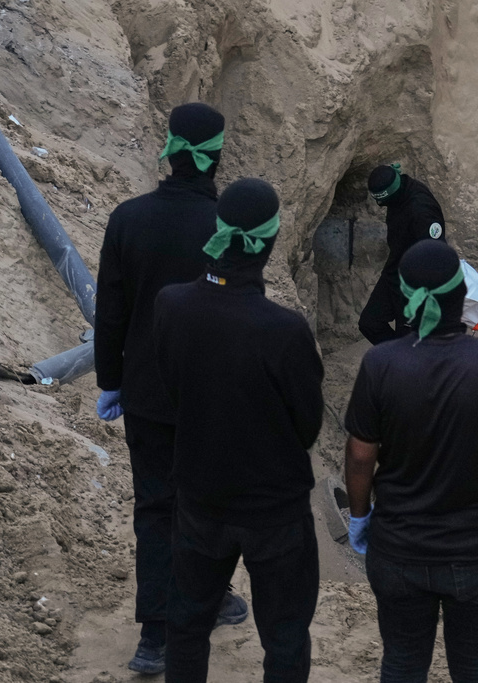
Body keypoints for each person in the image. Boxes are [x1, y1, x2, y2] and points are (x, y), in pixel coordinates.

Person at [93, 102, 248, 675]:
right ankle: (208, 600)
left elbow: (110, 311)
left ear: (169, 147)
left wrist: (111, 380)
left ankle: (156, 636)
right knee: (209, 501)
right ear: (217, 155)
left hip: (148, 392)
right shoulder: (226, 228)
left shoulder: (128, 218)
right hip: (214, 394)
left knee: (156, 508)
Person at [344, 240, 478, 682]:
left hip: (398, 551)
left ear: (407, 299)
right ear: (461, 297)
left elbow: (359, 457)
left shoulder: (380, 363)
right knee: (474, 669)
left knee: (401, 664)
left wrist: (360, 517)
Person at [153, 178, 324, 683]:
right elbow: (308, 426)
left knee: (186, 624)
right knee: (286, 635)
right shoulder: (285, 330)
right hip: (275, 509)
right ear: (269, 244)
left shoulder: (171, 305)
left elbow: (171, 389)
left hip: (201, 498)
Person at [359, 163, 447, 345]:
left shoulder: (421, 210)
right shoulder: (399, 190)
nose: (381, 206)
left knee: (408, 338)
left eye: (382, 201)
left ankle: (405, 364)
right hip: (395, 270)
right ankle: (396, 355)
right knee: (369, 323)